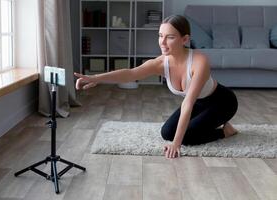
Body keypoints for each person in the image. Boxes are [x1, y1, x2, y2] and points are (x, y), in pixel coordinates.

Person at [74, 15, 238, 159]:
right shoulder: (161, 63)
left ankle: (225, 131)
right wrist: (96, 78)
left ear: (184, 39)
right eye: (160, 36)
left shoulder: (199, 61)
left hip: (222, 102)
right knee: (166, 133)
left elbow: (187, 103)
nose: (163, 42)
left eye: (170, 37)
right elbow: (131, 73)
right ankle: (209, 127)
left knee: (185, 138)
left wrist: (176, 145)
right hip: (198, 103)